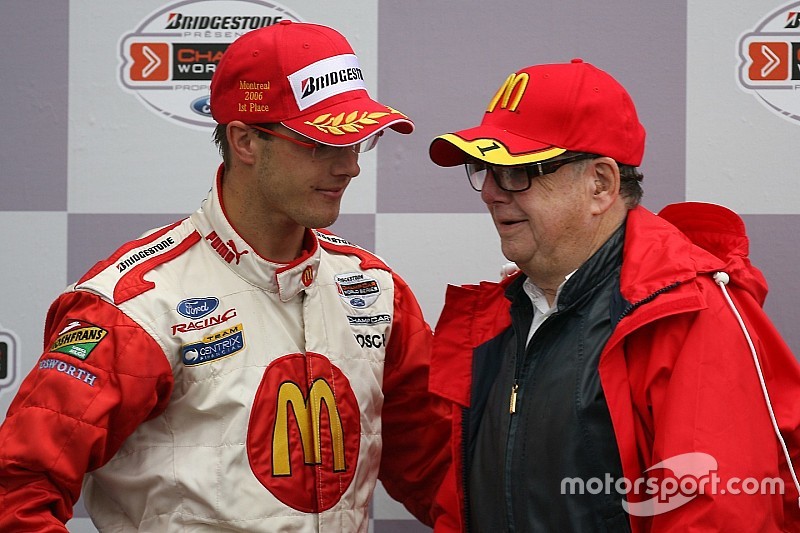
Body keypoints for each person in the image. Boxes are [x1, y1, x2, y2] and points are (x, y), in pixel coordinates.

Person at [0, 21, 450, 532]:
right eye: (321, 145)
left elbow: (439, 470)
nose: (349, 168)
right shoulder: (139, 304)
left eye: (357, 143)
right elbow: (18, 485)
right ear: (245, 140)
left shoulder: (374, 289)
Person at [426, 58, 800, 531]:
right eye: (485, 169)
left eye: (517, 171)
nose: (491, 193)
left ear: (600, 184)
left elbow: (718, 517)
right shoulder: (495, 317)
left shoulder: (686, 314)